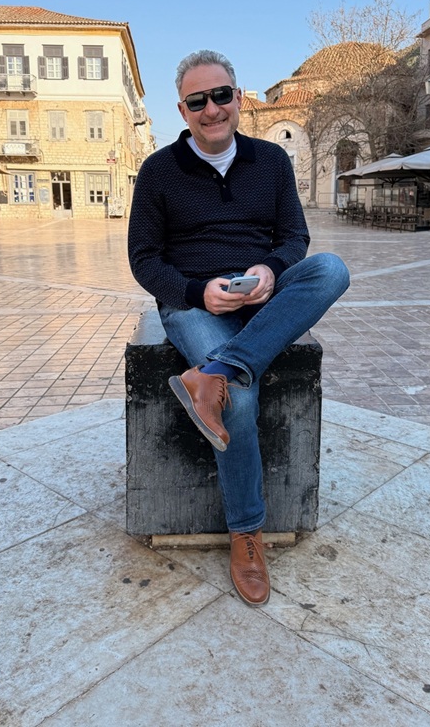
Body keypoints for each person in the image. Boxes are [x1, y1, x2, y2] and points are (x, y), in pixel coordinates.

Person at [128, 50, 350, 606]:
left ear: (239, 98)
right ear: (182, 110)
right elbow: (144, 259)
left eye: (221, 95)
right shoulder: (158, 171)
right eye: (197, 101)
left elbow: (295, 239)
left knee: (331, 269)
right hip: (193, 304)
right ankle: (247, 533)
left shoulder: (271, 161)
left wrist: (269, 272)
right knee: (239, 403)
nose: (211, 109)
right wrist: (195, 292)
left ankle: (216, 371)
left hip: (258, 297)